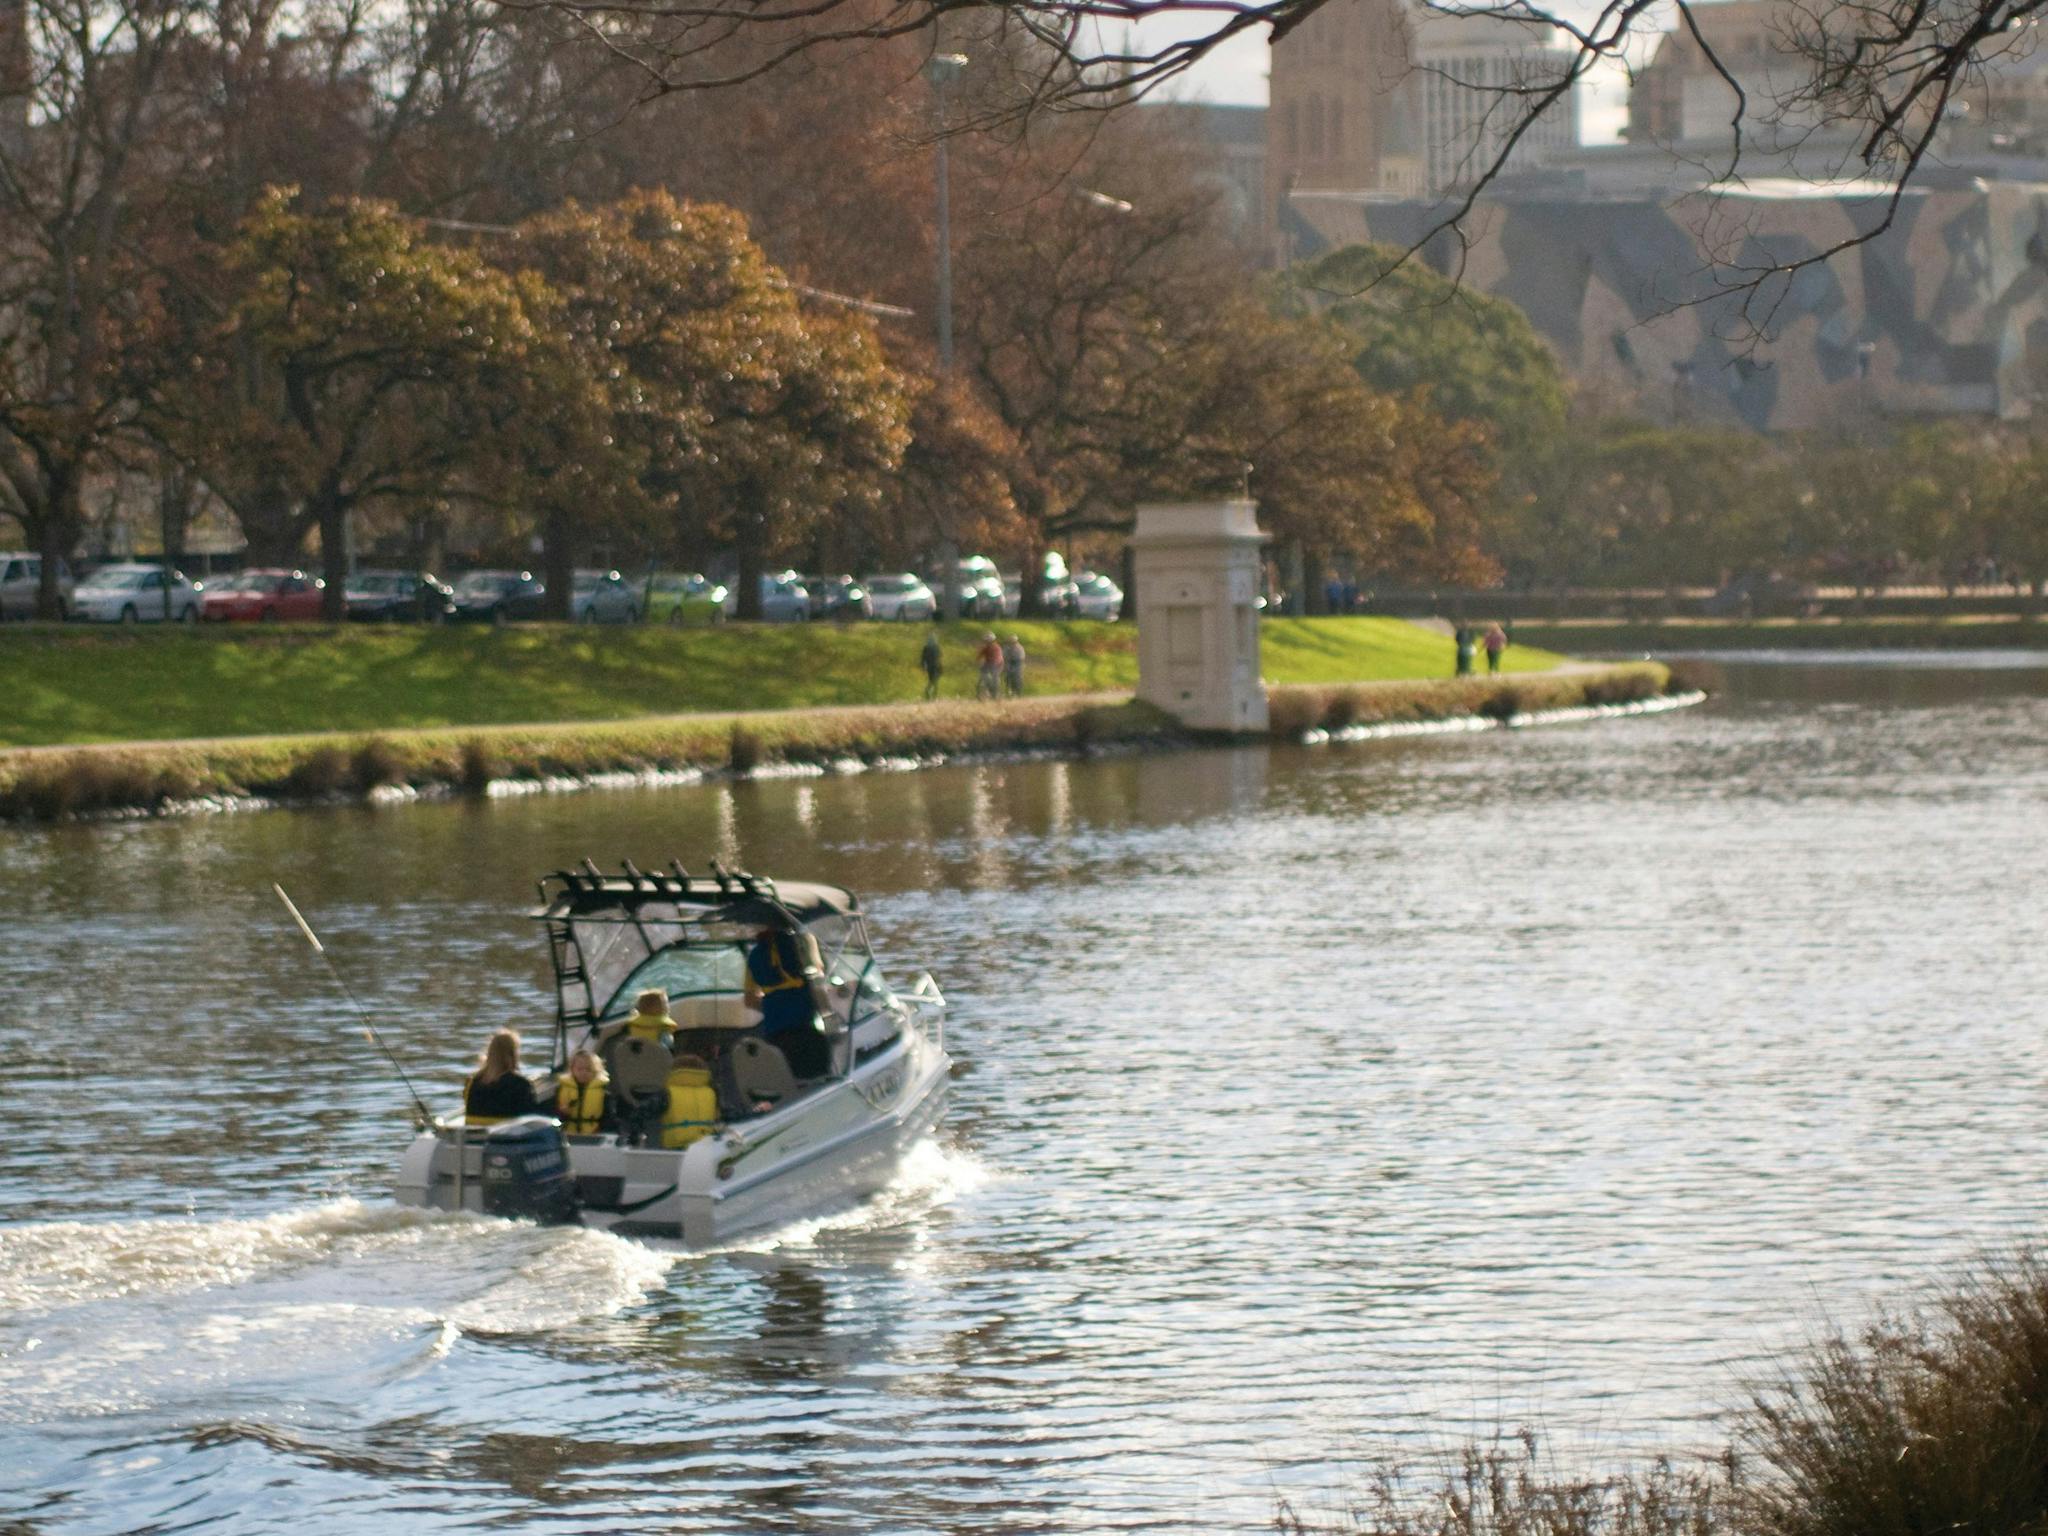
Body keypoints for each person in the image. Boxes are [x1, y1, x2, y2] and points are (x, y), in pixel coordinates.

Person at [744, 924, 831, 1080]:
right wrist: (827, 1012)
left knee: (788, 1077)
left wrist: (776, 1009)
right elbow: (817, 980)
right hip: (804, 1026)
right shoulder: (803, 941)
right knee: (818, 1074)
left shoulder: (754, 955)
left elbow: (750, 1000)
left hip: (774, 1031)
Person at [464, 1028, 539, 1122]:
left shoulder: (473, 1082)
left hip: (476, 1133)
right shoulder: (521, 1084)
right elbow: (531, 1118)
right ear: (513, 1054)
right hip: (507, 1134)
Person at [553, 1047, 608, 1135]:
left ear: (596, 1071)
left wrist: (601, 1130)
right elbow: (553, 1121)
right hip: (567, 1134)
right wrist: (562, 1114)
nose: (583, 1072)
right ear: (572, 1069)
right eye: (579, 1069)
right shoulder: (560, 1089)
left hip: (593, 1135)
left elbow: (608, 1117)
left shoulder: (604, 1091)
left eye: (588, 1069)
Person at [975, 632, 1003, 700]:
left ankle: (995, 694)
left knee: (995, 679)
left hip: (997, 665)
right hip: (988, 664)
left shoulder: (996, 647)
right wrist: (977, 661)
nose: (986, 642)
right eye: (985, 641)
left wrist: (991, 665)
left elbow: (998, 658)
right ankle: (984, 690)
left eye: (987, 641)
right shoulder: (986, 647)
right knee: (984, 676)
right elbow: (980, 655)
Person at [920, 626, 943, 700]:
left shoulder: (926, 648)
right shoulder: (936, 647)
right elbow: (940, 656)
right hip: (936, 665)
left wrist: (923, 666)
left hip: (930, 666)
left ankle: (930, 694)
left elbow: (923, 659)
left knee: (933, 680)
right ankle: (930, 693)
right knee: (935, 681)